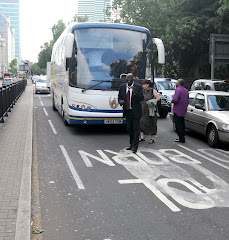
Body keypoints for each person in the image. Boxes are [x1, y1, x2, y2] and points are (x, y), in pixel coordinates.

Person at [118, 73, 144, 153]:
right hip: (127, 111)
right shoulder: (122, 87)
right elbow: (119, 97)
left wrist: (135, 92)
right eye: (127, 78)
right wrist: (120, 101)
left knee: (136, 129)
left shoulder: (138, 87)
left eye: (130, 78)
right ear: (125, 79)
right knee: (129, 129)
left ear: (133, 79)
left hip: (136, 112)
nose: (128, 79)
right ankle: (131, 144)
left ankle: (135, 147)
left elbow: (141, 98)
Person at [140, 79, 160, 143]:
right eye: (142, 84)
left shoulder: (152, 91)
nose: (143, 86)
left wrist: (153, 101)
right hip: (143, 109)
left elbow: (158, 98)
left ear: (148, 85)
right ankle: (142, 137)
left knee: (152, 123)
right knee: (141, 123)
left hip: (150, 110)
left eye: (144, 84)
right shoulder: (141, 91)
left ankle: (152, 138)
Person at [172, 79, 189, 143]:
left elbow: (175, 99)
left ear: (178, 83)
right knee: (182, 123)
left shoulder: (178, 90)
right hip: (183, 109)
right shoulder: (186, 90)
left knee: (178, 124)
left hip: (178, 109)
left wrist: (172, 101)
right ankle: (182, 137)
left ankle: (181, 138)